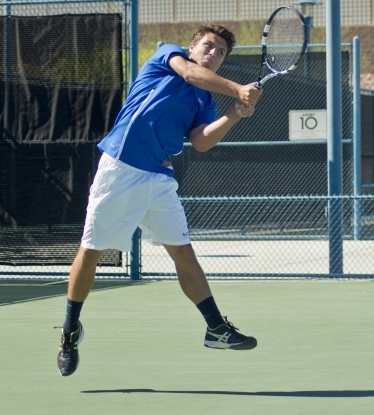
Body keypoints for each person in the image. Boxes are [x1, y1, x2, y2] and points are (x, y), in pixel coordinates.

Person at [56, 23, 262, 377]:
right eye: (208, 47)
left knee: (183, 252)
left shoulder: (204, 101)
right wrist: (238, 90)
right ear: (192, 46)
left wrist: (236, 112)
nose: (213, 55)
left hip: (160, 178)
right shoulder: (169, 56)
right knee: (91, 253)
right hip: (120, 167)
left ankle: (216, 329)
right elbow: (192, 74)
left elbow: (200, 141)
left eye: (221, 53)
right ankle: (70, 329)